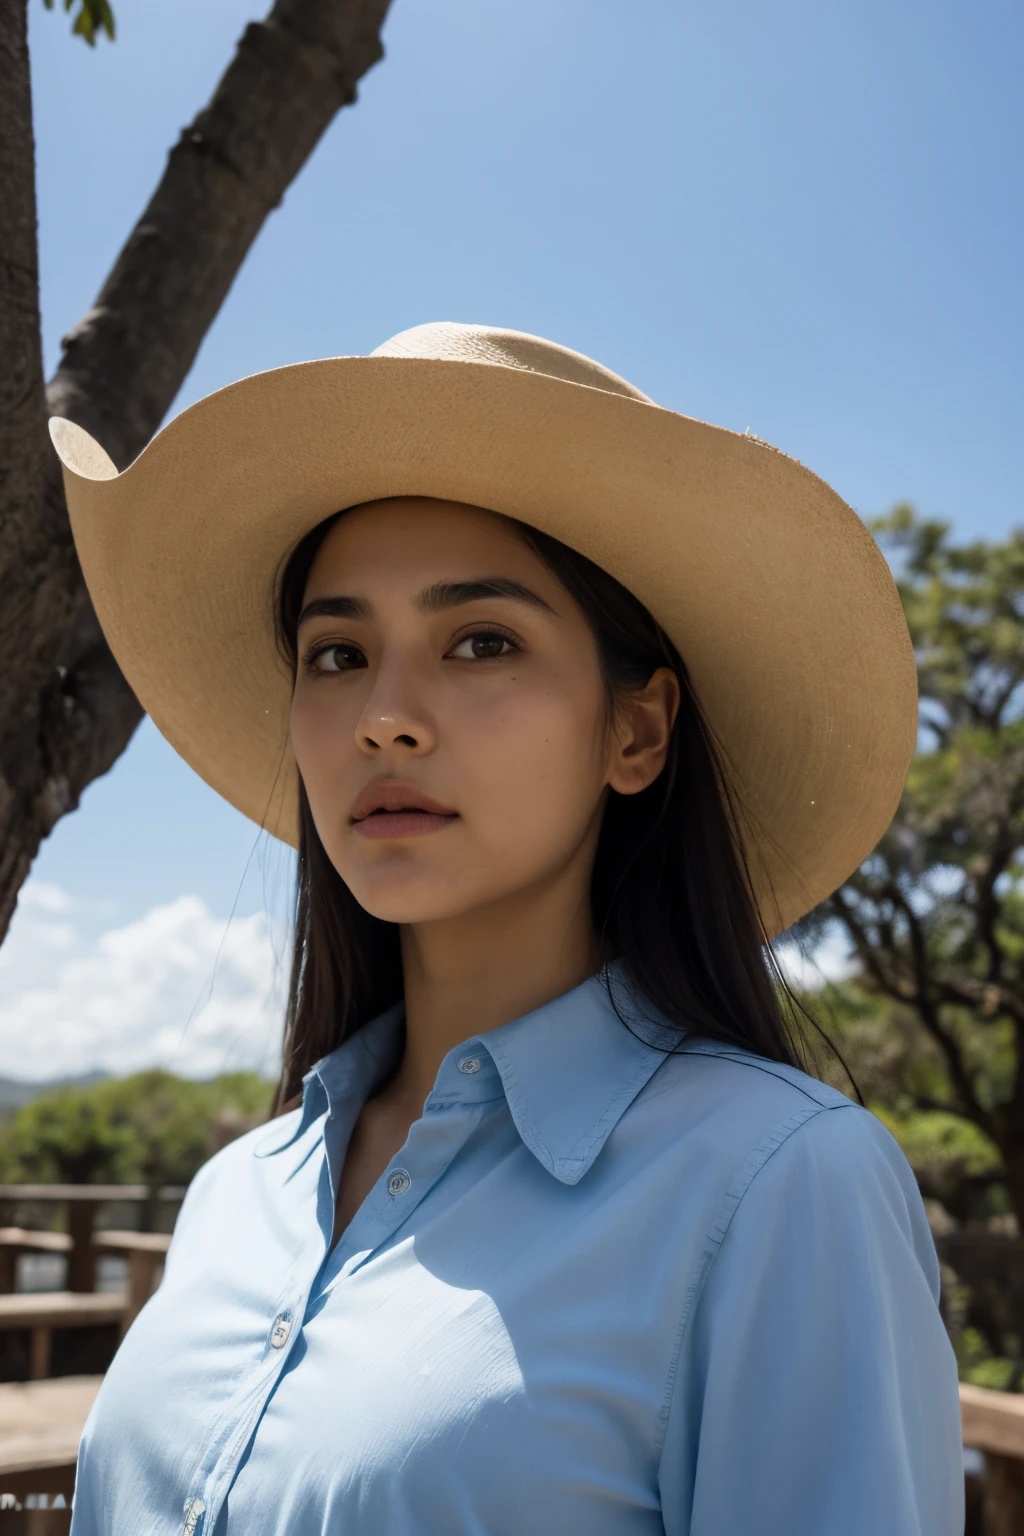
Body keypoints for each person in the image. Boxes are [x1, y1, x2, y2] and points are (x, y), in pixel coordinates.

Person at [51, 322, 963, 1535]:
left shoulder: (781, 1191)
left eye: (482, 641)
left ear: (636, 734)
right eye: (336, 652)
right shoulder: (238, 1193)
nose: (385, 716)